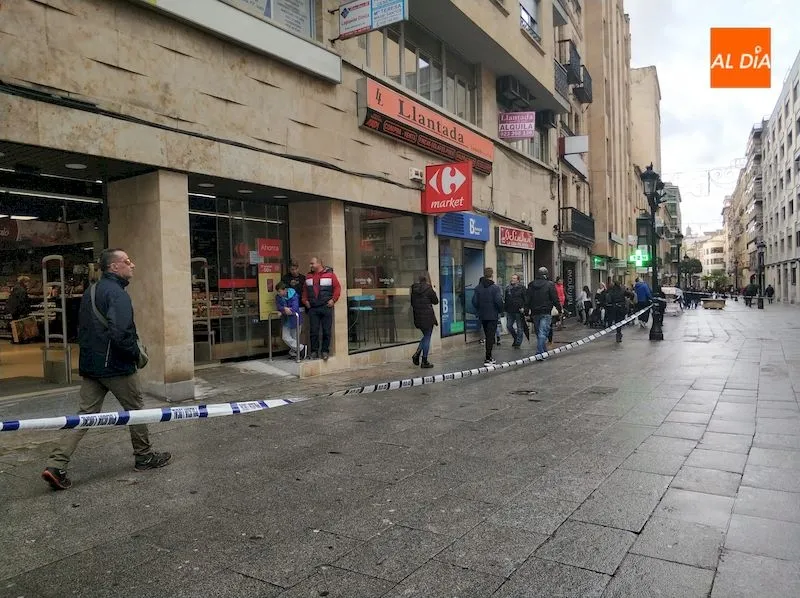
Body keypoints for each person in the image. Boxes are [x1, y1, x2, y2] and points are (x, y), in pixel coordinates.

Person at [41, 249, 171, 491]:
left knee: (84, 416)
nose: (132, 264)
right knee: (136, 411)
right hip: (117, 367)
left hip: (92, 366)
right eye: (127, 261)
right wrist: (135, 355)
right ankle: (144, 457)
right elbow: (121, 333)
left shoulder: (91, 291)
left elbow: (83, 330)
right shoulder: (118, 295)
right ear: (114, 267)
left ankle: (56, 464)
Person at [302, 257, 341, 361]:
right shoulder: (308, 276)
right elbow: (305, 290)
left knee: (326, 331)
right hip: (313, 308)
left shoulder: (330, 275)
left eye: (312, 263)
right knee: (313, 331)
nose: (310, 265)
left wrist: (333, 300)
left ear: (319, 263)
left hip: (326, 307)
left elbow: (337, 288)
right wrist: (305, 301)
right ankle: (314, 352)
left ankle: (325, 351)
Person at [472, 267, 504, 365]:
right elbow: (498, 301)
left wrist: (479, 309)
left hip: (482, 314)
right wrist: (500, 310)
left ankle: (488, 356)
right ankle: (488, 357)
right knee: (490, 336)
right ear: (492, 275)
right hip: (492, 315)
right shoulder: (495, 288)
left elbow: (474, 301)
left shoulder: (478, 288)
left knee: (487, 334)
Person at [526, 267, 561, 356]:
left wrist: (526, 312)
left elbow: (527, 299)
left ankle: (543, 350)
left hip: (535, 312)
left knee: (539, 332)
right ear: (546, 274)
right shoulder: (550, 284)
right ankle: (540, 353)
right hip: (545, 311)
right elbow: (555, 298)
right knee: (543, 332)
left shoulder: (531, 284)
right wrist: (559, 310)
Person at [410, 274, 439, 368]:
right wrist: (434, 291)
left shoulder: (413, 290)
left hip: (418, 317)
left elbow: (412, 303)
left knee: (425, 336)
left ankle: (417, 354)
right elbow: (436, 301)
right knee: (427, 337)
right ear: (426, 279)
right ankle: (424, 360)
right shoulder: (429, 289)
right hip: (428, 318)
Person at [275, 281, 306, 359]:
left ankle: (294, 353)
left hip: (295, 319)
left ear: (285, 290)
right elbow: (279, 306)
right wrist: (284, 309)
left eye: (279, 291)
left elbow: (295, 308)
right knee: (285, 337)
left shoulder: (294, 295)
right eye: (277, 291)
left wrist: (286, 310)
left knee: (294, 338)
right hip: (286, 320)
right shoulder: (278, 297)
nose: (278, 293)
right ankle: (302, 348)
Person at [504, 273, 527, 348]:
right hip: (510, 310)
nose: (512, 279)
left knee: (519, 327)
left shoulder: (522, 288)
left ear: (518, 280)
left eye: (514, 278)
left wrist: (523, 307)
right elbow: (506, 299)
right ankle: (515, 337)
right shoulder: (508, 288)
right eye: (512, 278)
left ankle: (518, 342)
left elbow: (525, 299)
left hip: (519, 310)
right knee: (509, 326)